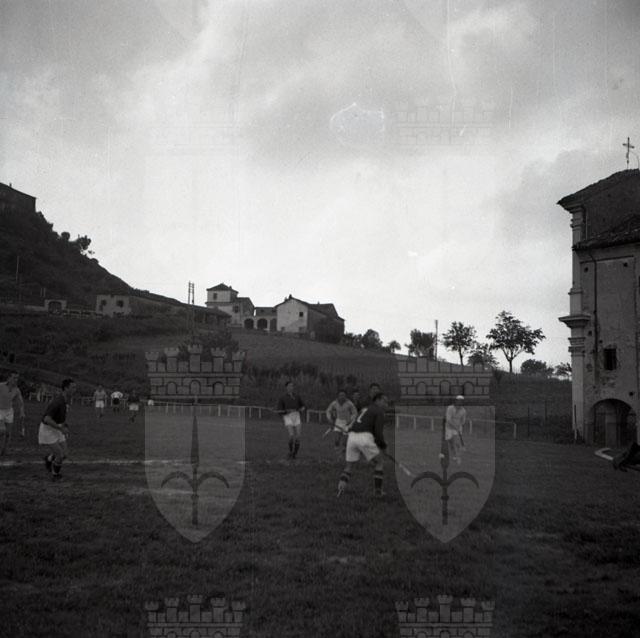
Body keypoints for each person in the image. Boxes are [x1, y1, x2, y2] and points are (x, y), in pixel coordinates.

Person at [337, 392, 388, 498]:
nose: (386, 404)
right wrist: (383, 447)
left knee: (349, 466)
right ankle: (378, 492)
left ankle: (340, 489)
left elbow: (357, 423)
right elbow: (378, 433)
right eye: (384, 401)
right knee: (379, 462)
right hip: (364, 437)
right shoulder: (379, 412)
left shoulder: (365, 409)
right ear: (377, 400)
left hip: (352, 437)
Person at [39, 378, 76, 481]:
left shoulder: (65, 400)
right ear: (66, 388)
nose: (75, 390)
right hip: (48, 429)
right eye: (73, 387)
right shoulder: (57, 401)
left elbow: (60, 416)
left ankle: (49, 459)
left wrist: (64, 425)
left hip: (57, 427)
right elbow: (47, 419)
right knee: (60, 454)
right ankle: (55, 475)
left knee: (65, 454)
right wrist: (60, 428)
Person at [276, 381, 306, 459]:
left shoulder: (297, 396)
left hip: (297, 416)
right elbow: (279, 411)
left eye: (292, 386)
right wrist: (287, 411)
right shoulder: (282, 398)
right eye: (289, 386)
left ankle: (294, 454)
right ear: (286, 387)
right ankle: (290, 451)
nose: (291, 387)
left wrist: (302, 409)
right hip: (288, 417)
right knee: (291, 436)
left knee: (298, 436)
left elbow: (303, 406)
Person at [325, 390, 358, 455]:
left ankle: (344, 451)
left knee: (345, 441)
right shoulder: (334, 403)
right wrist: (329, 419)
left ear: (346, 396)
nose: (342, 397)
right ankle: (336, 450)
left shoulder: (349, 403)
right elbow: (328, 411)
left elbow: (355, 413)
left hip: (347, 422)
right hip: (338, 421)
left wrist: (350, 420)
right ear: (338, 396)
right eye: (340, 395)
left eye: (343, 395)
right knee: (337, 439)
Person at [0, 371, 25, 454]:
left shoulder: (17, 390)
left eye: (17, 378)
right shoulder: (1, 386)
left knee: (8, 433)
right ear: (9, 378)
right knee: (2, 431)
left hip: (9, 411)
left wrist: (22, 412)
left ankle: (5, 450)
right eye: (14, 378)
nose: (16, 380)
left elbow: (20, 402)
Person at [443, 395, 467, 465]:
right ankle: (454, 455)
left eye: (461, 401)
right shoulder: (450, 408)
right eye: (459, 401)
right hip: (449, 428)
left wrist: (460, 427)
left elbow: (463, 421)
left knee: (457, 443)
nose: (460, 403)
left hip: (457, 429)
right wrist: (455, 426)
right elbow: (448, 420)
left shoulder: (463, 411)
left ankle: (458, 457)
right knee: (451, 443)